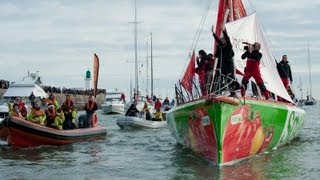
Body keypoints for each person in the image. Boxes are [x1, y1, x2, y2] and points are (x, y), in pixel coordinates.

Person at [212, 26, 238, 96]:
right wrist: (213, 34)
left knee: (229, 79)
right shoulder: (221, 47)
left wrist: (224, 31)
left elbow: (227, 39)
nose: (222, 40)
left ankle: (233, 93)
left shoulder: (229, 45)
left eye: (223, 39)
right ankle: (218, 93)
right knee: (220, 78)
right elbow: (218, 42)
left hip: (228, 65)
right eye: (221, 39)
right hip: (222, 66)